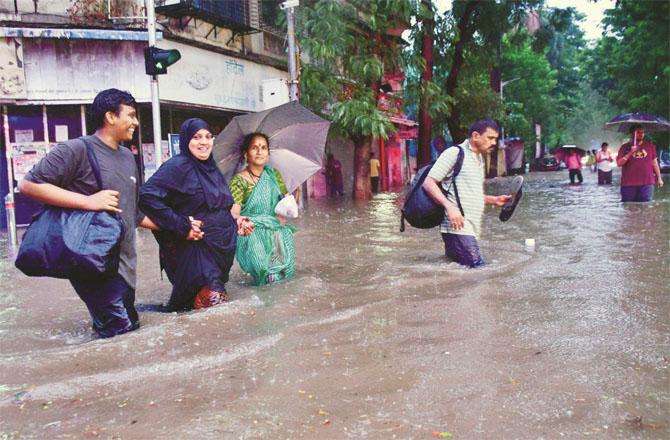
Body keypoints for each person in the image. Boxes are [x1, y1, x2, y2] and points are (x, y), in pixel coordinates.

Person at [19, 89, 156, 338]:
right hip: (93, 262)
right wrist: (88, 201)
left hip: (125, 264)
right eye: (132, 115)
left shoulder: (127, 156)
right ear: (110, 117)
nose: (136, 122)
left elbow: (131, 212)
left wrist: (178, 227)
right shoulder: (76, 150)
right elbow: (28, 185)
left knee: (124, 330)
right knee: (120, 333)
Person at [139, 119, 252, 311]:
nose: (204, 142)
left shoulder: (212, 168)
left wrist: (236, 222)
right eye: (197, 137)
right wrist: (182, 226)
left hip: (219, 253)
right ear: (185, 141)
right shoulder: (178, 166)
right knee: (214, 303)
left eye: (208, 137)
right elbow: (146, 198)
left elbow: (217, 207)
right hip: (196, 252)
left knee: (194, 307)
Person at [422, 119, 511, 268]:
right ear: (476, 136)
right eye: (490, 138)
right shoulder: (454, 153)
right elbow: (428, 183)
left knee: (461, 272)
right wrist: (449, 207)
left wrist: (494, 200)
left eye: (495, 138)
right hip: (457, 226)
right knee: (479, 271)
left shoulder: (478, 159)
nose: (494, 143)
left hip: (469, 226)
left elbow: (468, 193)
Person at [229, 132, 296, 285]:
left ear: (268, 154)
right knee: (267, 277)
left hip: (277, 231)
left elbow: (285, 201)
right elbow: (234, 213)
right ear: (246, 154)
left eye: (263, 147)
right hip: (253, 233)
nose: (259, 151)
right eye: (254, 147)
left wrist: (290, 205)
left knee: (286, 276)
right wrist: (240, 221)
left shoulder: (274, 175)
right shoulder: (239, 181)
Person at [616, 125, 664, 202]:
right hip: (628, 184)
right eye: (638, 132)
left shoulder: (650, 146)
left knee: (646, 207)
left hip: (647, 183)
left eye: (642, 132)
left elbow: (654, 163)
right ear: (632, 134)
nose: (641, 134)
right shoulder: (624, 147)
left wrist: (659, 178)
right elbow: (619, 163)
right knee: (629, 208)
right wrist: (630, 152)